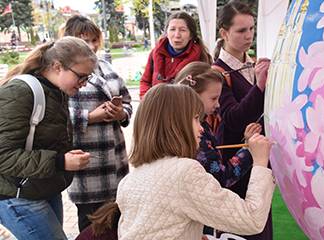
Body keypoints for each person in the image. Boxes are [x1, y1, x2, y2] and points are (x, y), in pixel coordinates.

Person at [116, 84, 275, 239]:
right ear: (176, 123)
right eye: (196, 119)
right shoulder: (184, 172)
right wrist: (260, 162)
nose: (201, 129)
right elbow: (251, 220)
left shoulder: (129, 181)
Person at [0, 36, 97, 240]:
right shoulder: (20, 92)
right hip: (17, 194)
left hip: (41, 187)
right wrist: (60, 161)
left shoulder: (56, 91)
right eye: (81, 77)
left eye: (88, 78)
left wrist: (64, 157)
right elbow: (3, 156)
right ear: (57, 66)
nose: (84, 84)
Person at [175, 62, 263, 236]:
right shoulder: (197, 135)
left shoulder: (193, 126)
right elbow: (222, 177)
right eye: (214, 98)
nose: (217, 105)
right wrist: (250, 151)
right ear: (192, 96)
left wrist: (245, 142)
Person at [62, 15, 132, 232]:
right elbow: (56, 117)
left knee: (117, 223)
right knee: (91, 228)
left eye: (94, 40)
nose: (91, 46)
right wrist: (90, 117)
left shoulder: (106, 68)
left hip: (116, 163)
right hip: (88, 166)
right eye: (84, 40)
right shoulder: (63, 73)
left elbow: (127, 101)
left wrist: (120, 113)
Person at [213, 1, 272, 239]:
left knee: (262, 224)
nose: (248, 36)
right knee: (241, 228)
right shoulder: (217, 72)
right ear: (224, 32)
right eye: (241, 30)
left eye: (251, 29)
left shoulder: (253, 63)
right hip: (234, 165)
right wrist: (259, 86)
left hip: (259, 159)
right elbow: (233, 118)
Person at [139, 11, 212, 98]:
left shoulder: (201, 58)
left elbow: (206, 93)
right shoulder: (155, 53)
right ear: (166, 33)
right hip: (156, 108)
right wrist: (147, 100)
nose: (177, 35)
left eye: (182, 30)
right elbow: (145, 81)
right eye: (172, 29)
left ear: (191, 35)